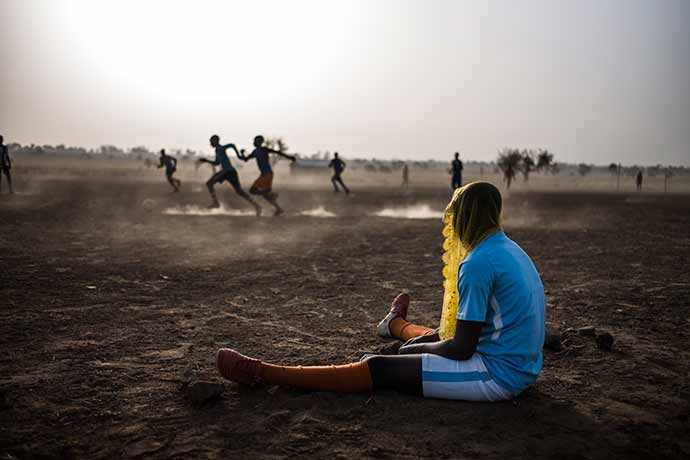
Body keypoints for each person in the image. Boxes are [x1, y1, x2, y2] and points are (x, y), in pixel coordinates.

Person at [216, 182, 546, 401]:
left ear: (463, 217)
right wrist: (425, 344)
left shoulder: (478, 263)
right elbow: (468, 335)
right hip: (518, 362)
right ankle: (394, 326)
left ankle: (264, 372)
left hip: (498, 376)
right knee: (435, 336)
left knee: (379, 367)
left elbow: (461, 348)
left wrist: (411, 352)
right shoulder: (508, 248)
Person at [198, 135, 261, 215]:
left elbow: (232, 144)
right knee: (239, 191)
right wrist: (206, 160)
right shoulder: (217, 150)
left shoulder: (221, 148)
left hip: (227, 172)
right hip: (230, 172)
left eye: (212, 141)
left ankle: (216, 203)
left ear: (216, 141)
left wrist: (238, 154)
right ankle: (257, 206)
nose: (210, 143)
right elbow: (217, 163)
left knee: (209, 183)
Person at [238, 135, 296, 216]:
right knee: (265, 195)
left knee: (253, 190)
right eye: (254, 141)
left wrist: (289, 157)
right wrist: (242, 153)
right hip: (264, 175)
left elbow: (277, 152)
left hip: (267, 174)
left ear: (260, 142)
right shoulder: (255, 151)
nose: (254, 142)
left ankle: (271, 195)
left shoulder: (264, 149)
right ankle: (278, 208)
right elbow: (245, 159)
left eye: (256, 141)